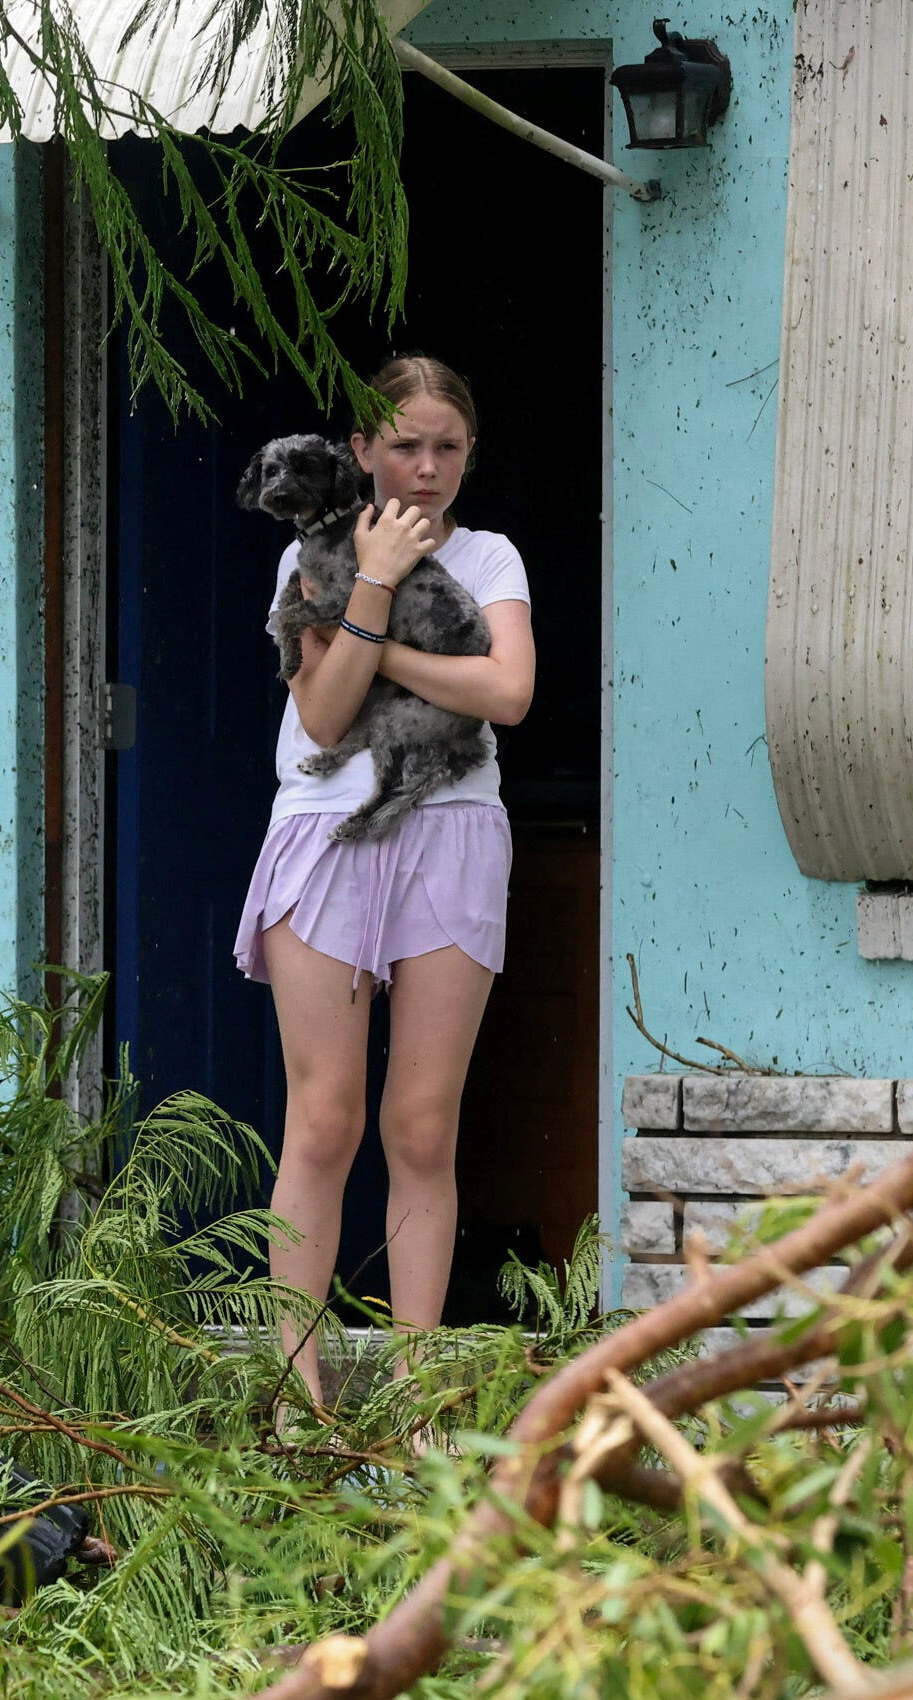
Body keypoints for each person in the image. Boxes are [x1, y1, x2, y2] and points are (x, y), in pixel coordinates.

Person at [231, 355, 536, 1403]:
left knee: (421, 1125)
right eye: (404, 444)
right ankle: (297, 1395)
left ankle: (415, 1399)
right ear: (360, 451)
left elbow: (507, 690)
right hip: (328, 828)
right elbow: (320, 716)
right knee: (324, 1118)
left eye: (447, 447)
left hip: (449, 828)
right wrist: (373, 582)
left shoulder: (491, 559)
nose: (426, 466)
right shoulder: (307, 558)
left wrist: (385, 648)